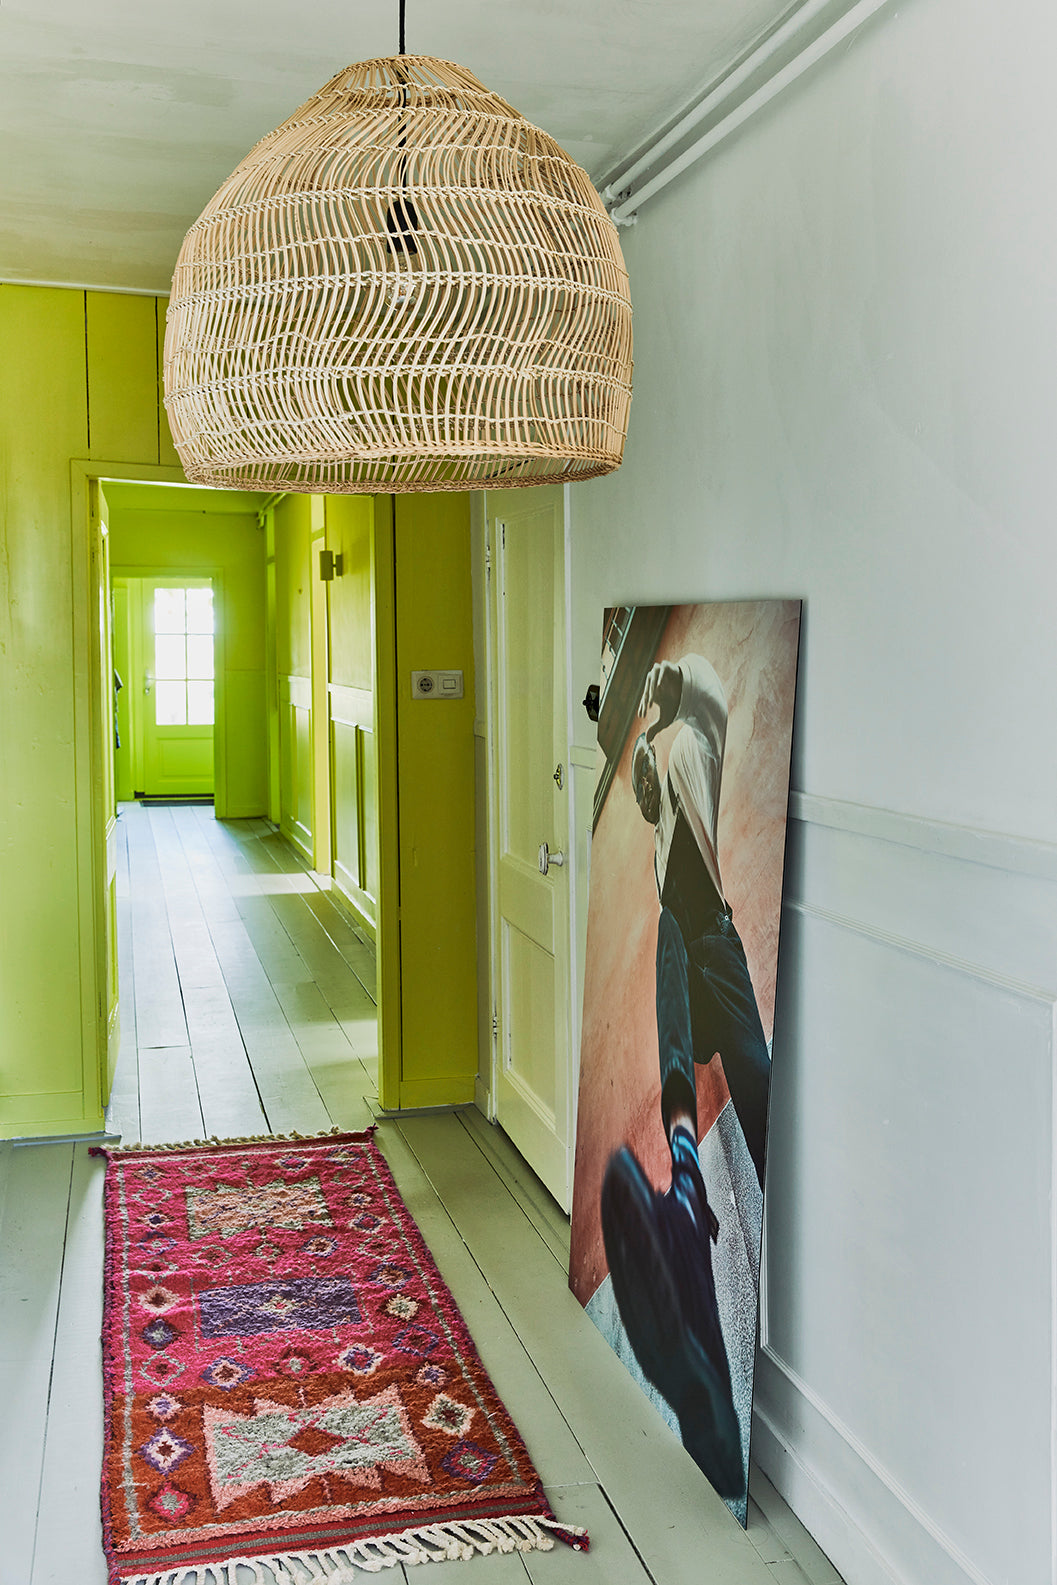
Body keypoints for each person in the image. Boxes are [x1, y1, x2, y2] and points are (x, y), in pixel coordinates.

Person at [600, 653, 771, 1500]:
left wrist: (659, 695)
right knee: (678, 1062)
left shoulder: (695, 737)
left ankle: (765, 1194)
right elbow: (649, 804)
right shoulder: (659, 815)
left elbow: (697, 679)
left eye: (644, 776)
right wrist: (640, 777)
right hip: (680, 933)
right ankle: (685, 1179)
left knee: (754, 1072)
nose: (642, 790)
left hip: (712, 934)